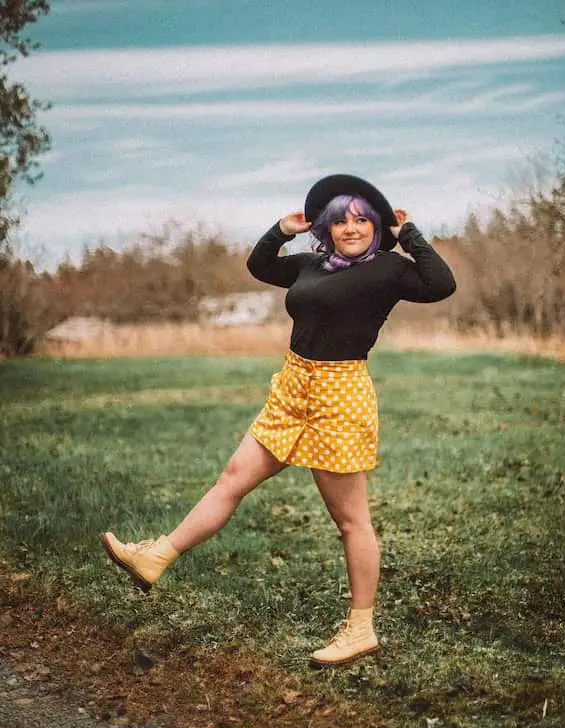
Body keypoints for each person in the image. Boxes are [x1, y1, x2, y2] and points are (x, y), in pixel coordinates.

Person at [102, 174, 456, 666]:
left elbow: (442, 283)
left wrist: (409, 233)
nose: (351, 228)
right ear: (328, 228)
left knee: (351, 520)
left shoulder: (389, 271)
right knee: (231, 479)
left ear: (376, 227)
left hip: (339, 395)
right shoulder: (313, 265)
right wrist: (281, 229)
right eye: (341, 221)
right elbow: (260, 265)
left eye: (361, 220)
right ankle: (156, 555)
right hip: (293, 387)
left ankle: (360, 628)